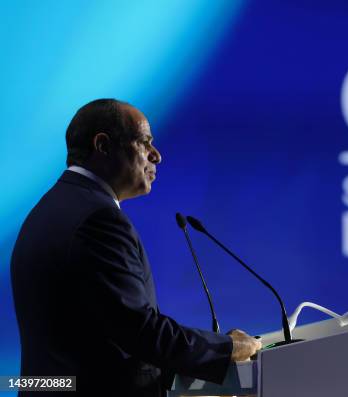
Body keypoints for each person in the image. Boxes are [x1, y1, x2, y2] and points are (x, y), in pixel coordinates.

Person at [10, 99, 261, 396]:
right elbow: (140, 332)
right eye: (144, 142)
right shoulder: (98, 219)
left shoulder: (47, 210)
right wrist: (226, 348)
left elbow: (98, 331)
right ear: (102, 145)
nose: (157, 155)